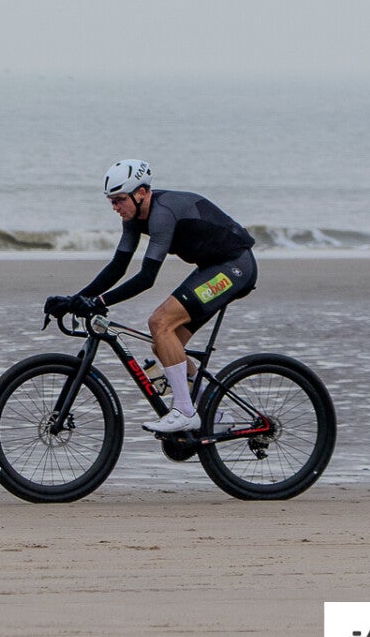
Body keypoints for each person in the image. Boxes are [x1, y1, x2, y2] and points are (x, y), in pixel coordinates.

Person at [46, 160, 258, 434]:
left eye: (120, 199)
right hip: (212, 268)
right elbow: (118, 267)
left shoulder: (162, 214)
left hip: (234, 267)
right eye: (111, 201)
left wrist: (99, 302)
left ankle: (184, 411)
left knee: (160, 322)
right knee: (164, 345)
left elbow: (146, 278)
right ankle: (214, 414)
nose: (115, 207)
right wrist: (75, 299)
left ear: (142, 193)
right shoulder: (132, 219)